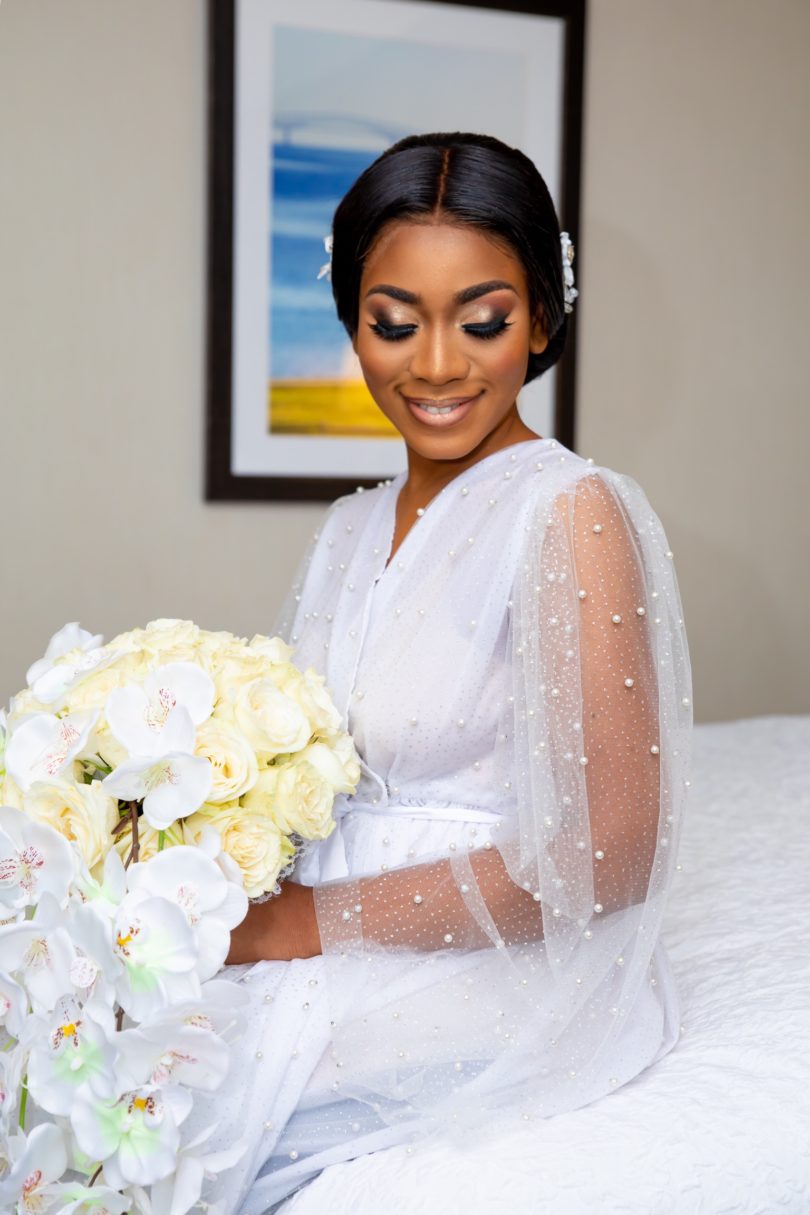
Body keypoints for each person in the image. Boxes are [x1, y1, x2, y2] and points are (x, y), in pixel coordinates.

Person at [194, 131, 693, 1214]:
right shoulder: (348, 527)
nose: (434, 365)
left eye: (482, 321)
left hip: (493, 957)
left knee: (192, 1103)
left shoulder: (570, 512)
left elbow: (611, 850)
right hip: (319, 921)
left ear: (543, 319)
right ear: (353, 322)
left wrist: (304, 926)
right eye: (394, 322)